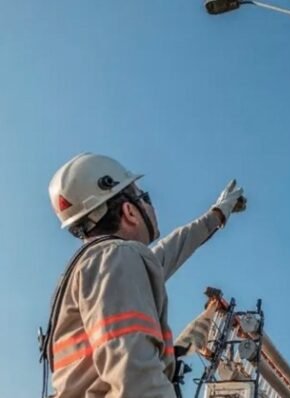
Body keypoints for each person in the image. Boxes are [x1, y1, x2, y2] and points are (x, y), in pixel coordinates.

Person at [40, 153, 246, 397]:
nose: (150, 205)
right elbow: (134, 375)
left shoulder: (99, 266)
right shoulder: (117, 258)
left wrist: (217, 214)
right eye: (144, 197)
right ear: (129, 210)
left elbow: (173, 249)